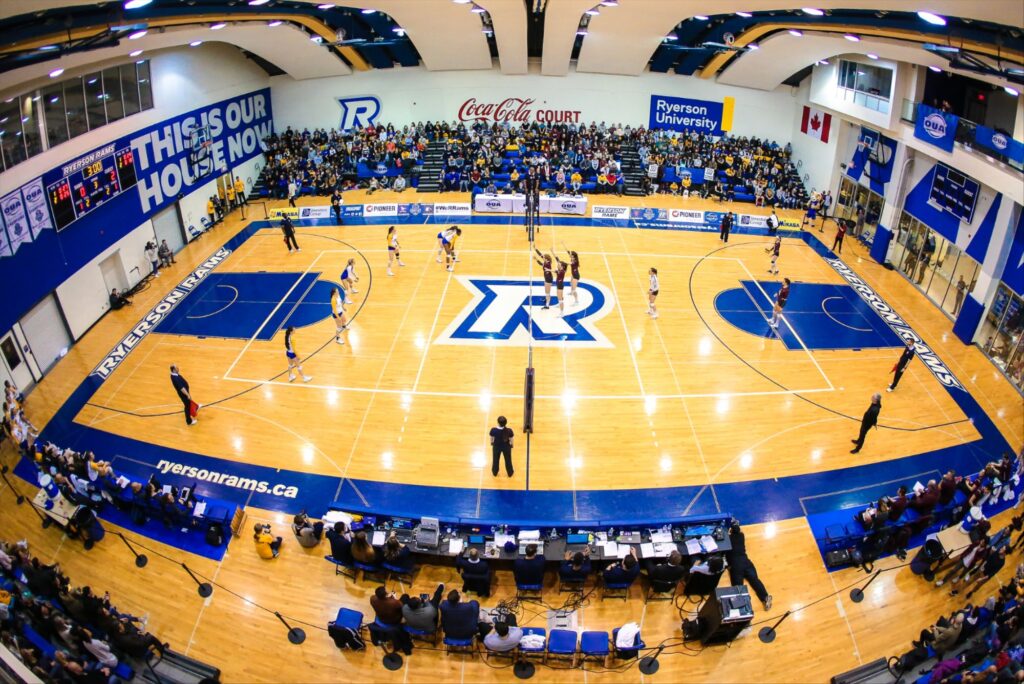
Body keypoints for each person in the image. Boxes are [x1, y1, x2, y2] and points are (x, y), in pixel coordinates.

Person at [725, 522, 772, 610]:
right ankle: (765, 597)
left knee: (738, 586)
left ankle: (740, 607)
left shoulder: (728, 539)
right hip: (746, 562)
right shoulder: (741, 536)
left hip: (736, 564)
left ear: (730, 530)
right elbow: (738, 532)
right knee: (755, 580)